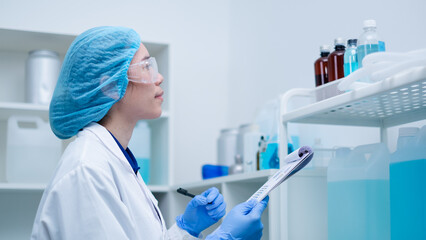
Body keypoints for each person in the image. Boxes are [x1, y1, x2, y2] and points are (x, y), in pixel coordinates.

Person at [31, 26, 268, 240]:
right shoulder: (88, 170)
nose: (160, 77)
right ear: (110, 86)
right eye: (146, 66)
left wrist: (187, 228)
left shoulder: (115, 159)